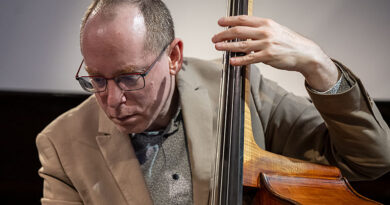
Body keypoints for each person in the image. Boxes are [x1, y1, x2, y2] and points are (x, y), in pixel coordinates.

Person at [36, 0, 390, 204]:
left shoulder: (238, 91)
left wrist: (317, 64)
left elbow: (372, 160)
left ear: (174, 56)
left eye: (130, 77)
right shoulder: (61, 145)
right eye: (97, 80)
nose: (112, 100)